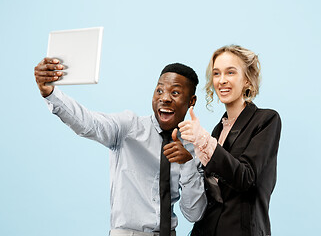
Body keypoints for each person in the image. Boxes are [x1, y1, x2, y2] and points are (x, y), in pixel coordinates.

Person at [33, 58, 207, 236]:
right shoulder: (129, 127)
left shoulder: (194, 149)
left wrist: (187, 163)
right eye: (159, 90)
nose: (164, 98)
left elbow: (194, 214)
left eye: (175, 93)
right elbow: (89, 123)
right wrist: (50, 93)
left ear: (191, 101)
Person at [178, 45, 281, 236]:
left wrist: (202, 139)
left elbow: (245, 178)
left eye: (230, 72)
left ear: (247, 80)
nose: (222, 80)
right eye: (216, 74)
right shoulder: (217, 131)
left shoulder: (266, 120)